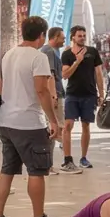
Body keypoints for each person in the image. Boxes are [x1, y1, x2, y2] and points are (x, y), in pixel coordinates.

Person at [0, 16, 62, 217]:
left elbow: (0, 87)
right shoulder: (38, 57)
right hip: (30, 122)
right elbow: (41, 90)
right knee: (36, 171)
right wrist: (53, 120)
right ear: (42, 35)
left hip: (6, 120)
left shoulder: (8, 55)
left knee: (7, 169)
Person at [60, 25, 105, 172]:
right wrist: (77, 61)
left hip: (89, 94)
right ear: (73, 37)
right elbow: (65, 75)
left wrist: (101, 94)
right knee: (68, 125)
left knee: (86, 125)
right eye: (79, 35)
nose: (82, 38)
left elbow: (98, 73)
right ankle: (67, 159)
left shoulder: (92, 52)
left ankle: (83, 158)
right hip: (72, 94)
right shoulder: (67, 54)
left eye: (84, 35)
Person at [41, 26, 66, 172]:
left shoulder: (52, 51)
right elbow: (49, 74)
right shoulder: (49, 51)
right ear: (55, 37)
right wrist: (53, 95)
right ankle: (48, 164)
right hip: (55, 93)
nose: (64, 40)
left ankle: (48, 163)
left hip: (57, 92)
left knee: (55, 128)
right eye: (62, 38)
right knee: (55, 128)